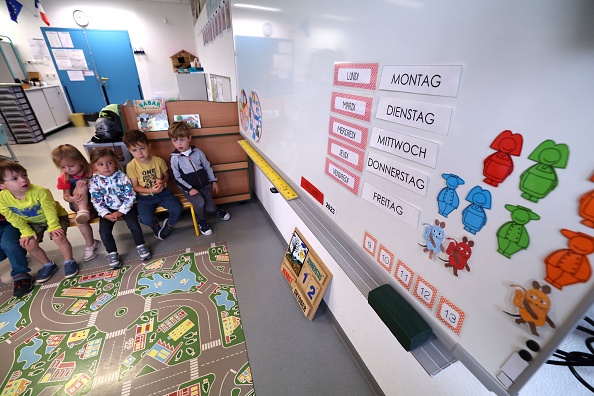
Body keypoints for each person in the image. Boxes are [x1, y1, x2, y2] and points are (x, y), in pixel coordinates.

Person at [0, 160, 79, 283]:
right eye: (15, 178)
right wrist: (25, 231)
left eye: (24, 175)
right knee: (28, 244)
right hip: (33, 222)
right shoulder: (2, 199)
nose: (23, 180)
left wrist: (53, 227)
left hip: (56, 217)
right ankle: (48, 265)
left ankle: (69, 261)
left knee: (58, 236)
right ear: (2, 186)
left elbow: (50, 211)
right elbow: (12, 217)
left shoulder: (40, 191)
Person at [88, 148, 151, 268]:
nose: (106, 167)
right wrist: (105, 214)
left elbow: (130, 195)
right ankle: (112, 253)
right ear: (94, 166)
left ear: (115, 163)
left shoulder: (122, 177)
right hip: (107, 210)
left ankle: (141, 245)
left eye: (109, 163)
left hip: (125, 207)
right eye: (100, 164)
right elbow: (96, 200)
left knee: (134, 225)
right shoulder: (94, 182)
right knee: (104, 231)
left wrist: (121, 211)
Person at [168, 121, 230, 236]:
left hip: (205, 186)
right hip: (190, 189)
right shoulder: (174, 158)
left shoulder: (198, 152)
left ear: (189, 138)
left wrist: (213, 181)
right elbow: (176, 178)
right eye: (174, 140)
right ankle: (201, 221)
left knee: (210, 207)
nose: (178, 143)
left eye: (182, 139)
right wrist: (189, 188)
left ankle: (216, 210)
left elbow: (207, 166)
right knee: (200, 203)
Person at [123, 129, 182, 240]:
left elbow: (166, 176)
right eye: (134, 150)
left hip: (163, 193)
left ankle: (169, 224)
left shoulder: (158, 161)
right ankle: (155, 225)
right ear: (129, 150)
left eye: (142, 148)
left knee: (177, 208)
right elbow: (135, 187)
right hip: (144, 197)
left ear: (149, 146)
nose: (139, 153)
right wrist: (150, 191)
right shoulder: (131, 166)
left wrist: (163, 182)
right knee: (145, 219)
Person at [51, 144, 101, 261]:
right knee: (80, 222)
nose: (67, 170)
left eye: (71, 165)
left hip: (96, 203)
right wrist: (72, 199)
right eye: (63, 167)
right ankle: (91, 244)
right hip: (78, 206)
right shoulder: (65, 178)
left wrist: (88, 181)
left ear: (81, 161)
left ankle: (83, 212)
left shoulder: (92, 170)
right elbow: (66, 196)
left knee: (81, 184)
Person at [0, 212, 33, 297]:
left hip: (13, 221)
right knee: (4, 250)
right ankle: (18, 252)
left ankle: (21, 274)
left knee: (8, 244)